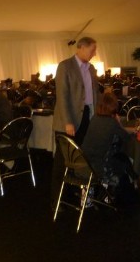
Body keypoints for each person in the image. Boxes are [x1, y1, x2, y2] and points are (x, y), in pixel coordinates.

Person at [51, 37, 100, 206]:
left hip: (86, 116)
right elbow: (62, 96)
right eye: (92, 50)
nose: (94, 53)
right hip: (68, 120)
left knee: (80, 158)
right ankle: (56, 200)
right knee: (62, 160)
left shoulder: (91, 68)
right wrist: (68, 122)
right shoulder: (65, 66)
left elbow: (95, 94)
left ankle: (76, 193)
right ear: (81, 47)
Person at [82, 92, 136, 203]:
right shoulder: (112, 123)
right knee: (124, 161)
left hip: (83, 163)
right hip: (100, 167)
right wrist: (119, 123)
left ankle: (91, 197)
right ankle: (109, 193)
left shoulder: (95, 118)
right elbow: (126, 138)